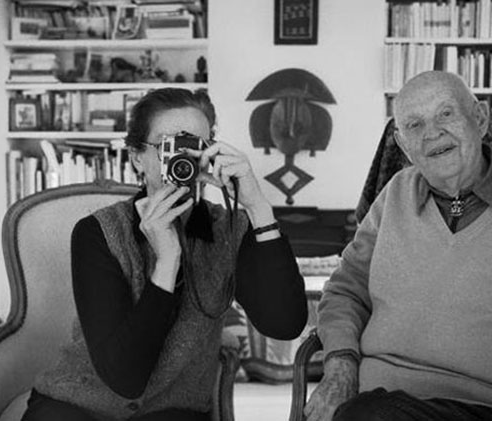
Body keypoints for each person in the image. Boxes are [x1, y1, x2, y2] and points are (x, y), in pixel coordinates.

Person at [305, 71, 492, 421]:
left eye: (446, 114)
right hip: (375, 400)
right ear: (404, 146)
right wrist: (341, 365)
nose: (432, 133)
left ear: (479, 120)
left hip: (484, 406)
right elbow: (345, 292)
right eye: (415, 125)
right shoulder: (394, 196)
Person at [21, 88, 308, 421]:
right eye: (168, 146)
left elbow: (285, 324)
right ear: (136, 157)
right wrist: (167, 262)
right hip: (78, 401)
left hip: (173, 410)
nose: (181, 158)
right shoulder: (98, 232)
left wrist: (258, 207)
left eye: (193, 146)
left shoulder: (229, 228)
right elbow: (124, 378)